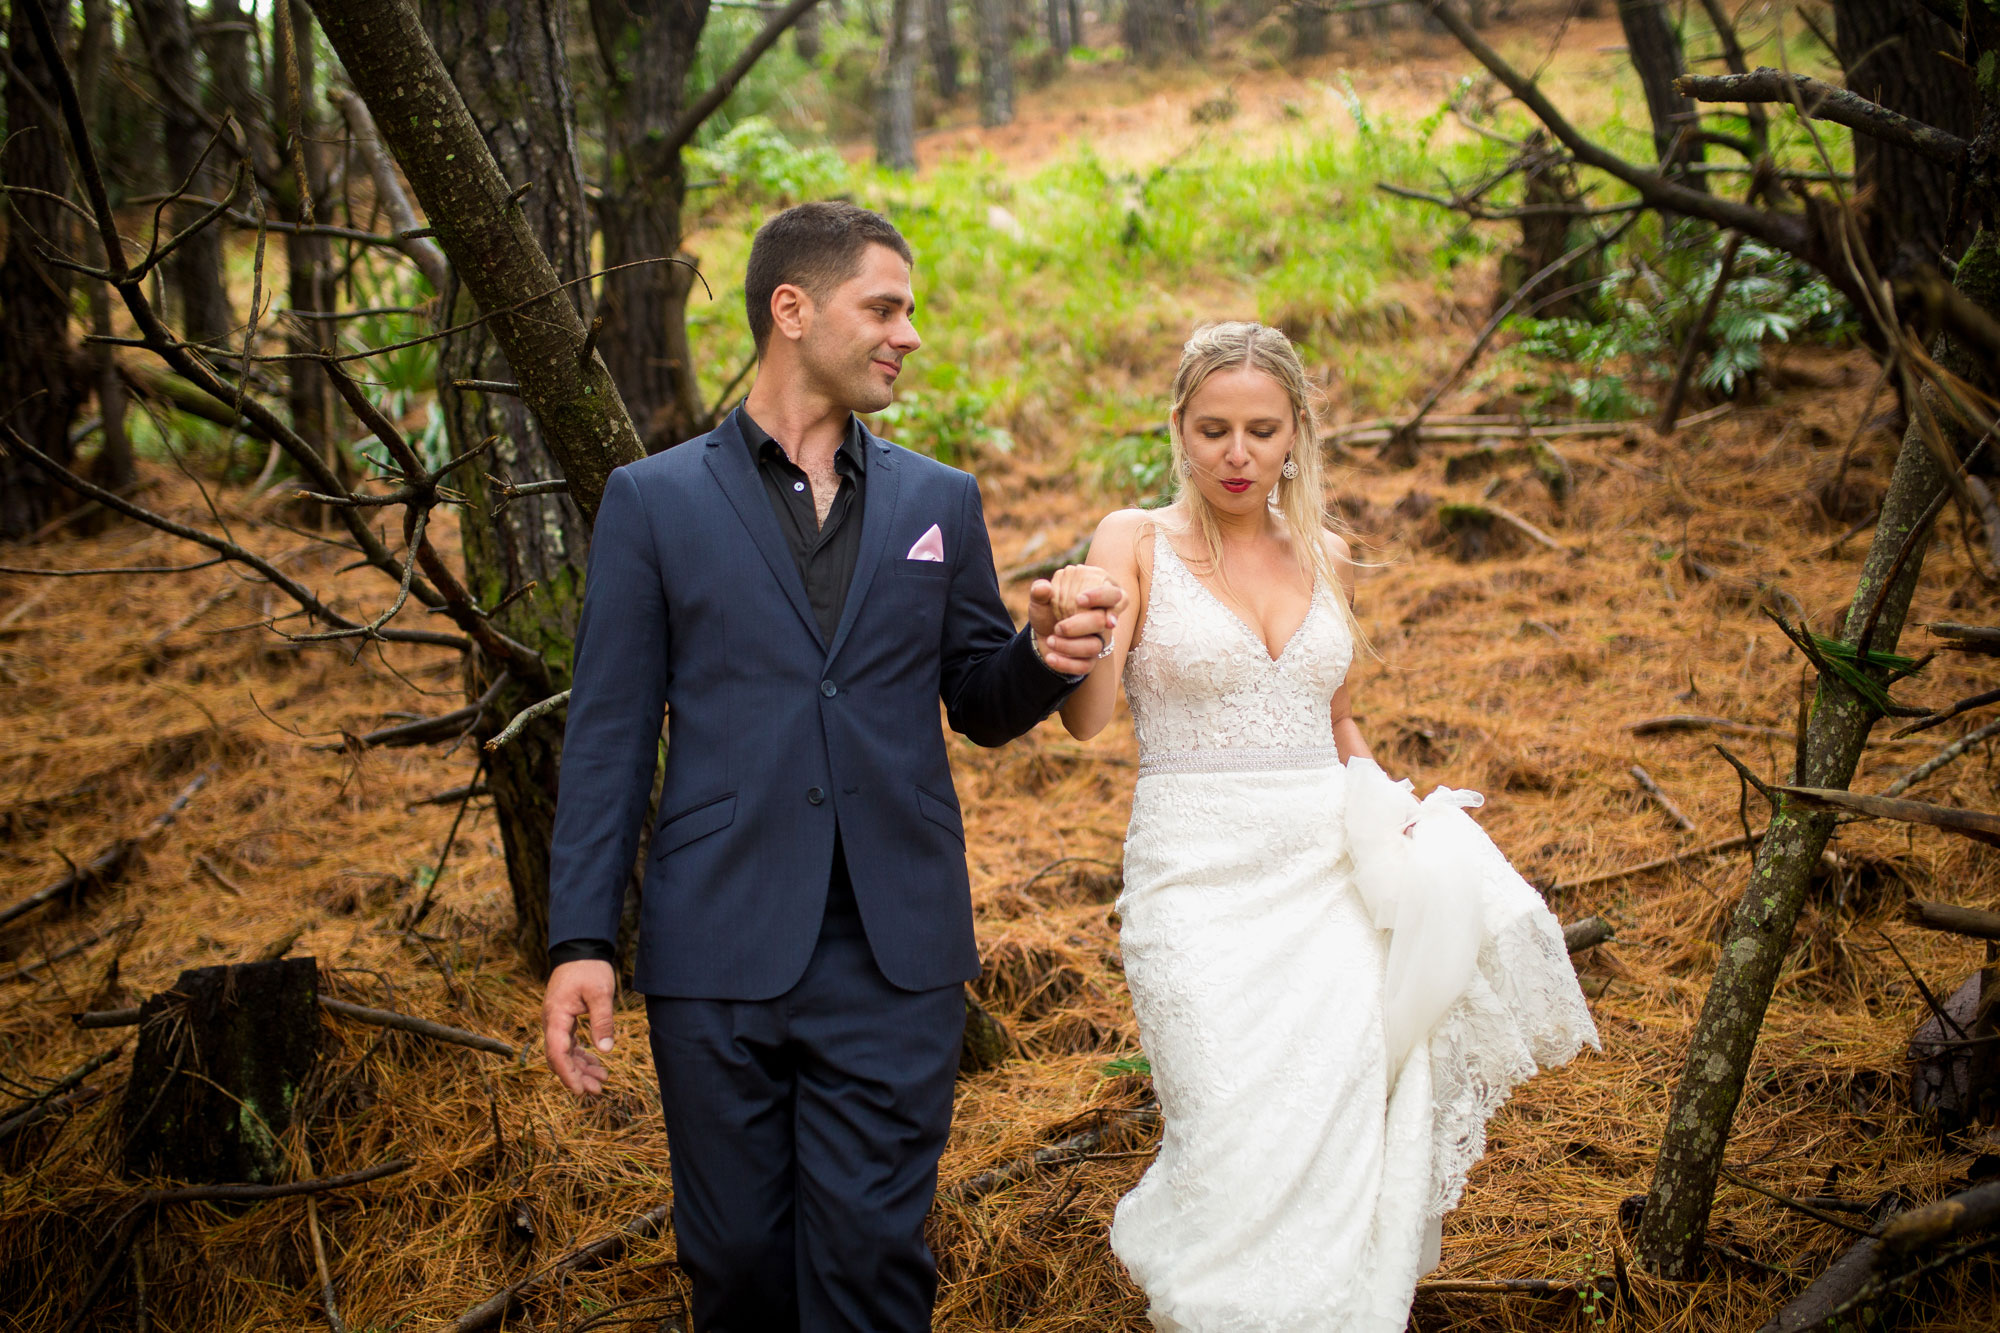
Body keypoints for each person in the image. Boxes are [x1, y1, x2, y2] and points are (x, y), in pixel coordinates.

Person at [538, 201, 1127, 1333]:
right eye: (885, 307)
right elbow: (609, 735)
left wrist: (1044, 654)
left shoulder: (936, 500)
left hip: (891, 949)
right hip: (716, 945)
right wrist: (580, 941)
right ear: (792, 310)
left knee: (870, 1263)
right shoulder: (651, 501)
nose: (907, 333)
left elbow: (979, 700)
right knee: (740, 1264)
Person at [1051, 321, 1600, 1332]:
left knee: (1332, 1105)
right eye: (1212, 428)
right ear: (1177, 428)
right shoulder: (1130, 540)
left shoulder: (1328, 553)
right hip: (1193, 877)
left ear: (1295, 432)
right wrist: (1070, 640)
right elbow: (1088, 722)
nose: (1235, 453)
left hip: (1322, 874)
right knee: (1223, 1116)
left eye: (1260, 429)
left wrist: (1393, 816)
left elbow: (1336, 718)